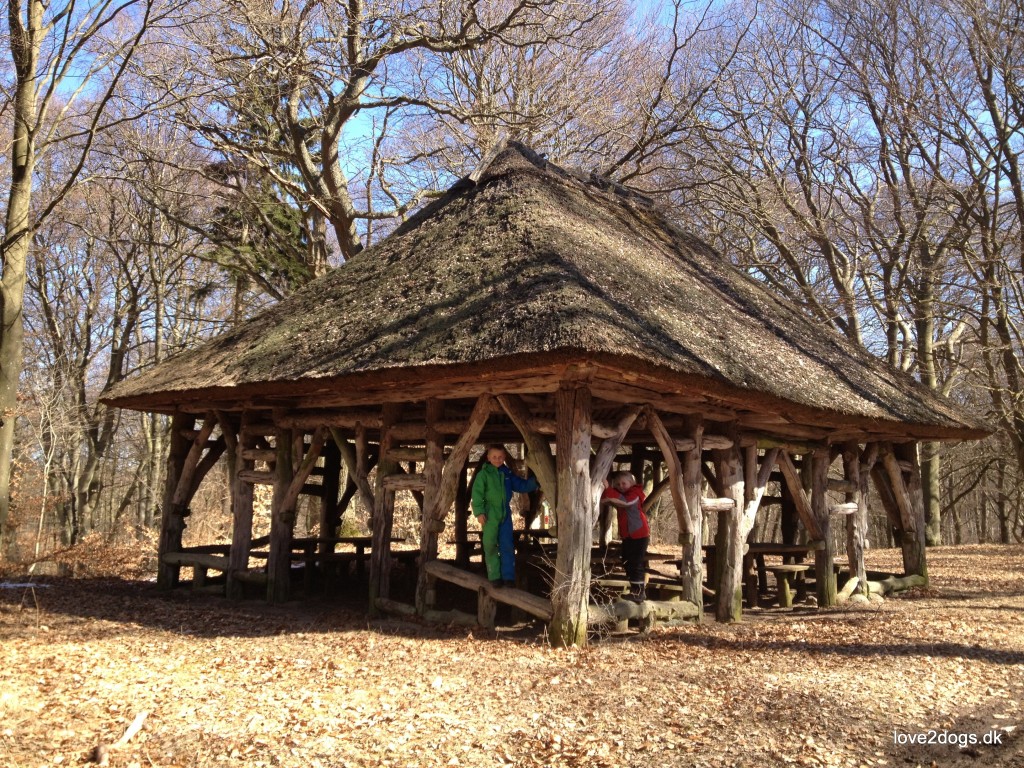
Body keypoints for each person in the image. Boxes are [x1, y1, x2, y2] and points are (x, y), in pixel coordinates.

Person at [471, 444, 539, 587]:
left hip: (505, 514)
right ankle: (494, 576)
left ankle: (508, 577)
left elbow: (520, 485)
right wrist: (479, 512)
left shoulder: (506, 473)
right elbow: (477, 495)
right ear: (488, 457)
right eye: (494, 457)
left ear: (504, 458)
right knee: (490, 544)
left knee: (507, 544)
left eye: (500, 457)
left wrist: (535, 482)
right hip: (490, 513)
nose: (497, 459)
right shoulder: (484, 474)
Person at [601, 470, 650, 602]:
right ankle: (635, 589)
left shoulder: (634, 494)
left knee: (635, 562)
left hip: (639, 534)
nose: (621, 486)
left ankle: (639, 592)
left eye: (624, 483)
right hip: (629, 536)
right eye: (618, 484)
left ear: (632, 483)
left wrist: (608, 488)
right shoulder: (623, 495)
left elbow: (625, 502)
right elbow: (609, 500)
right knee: (627, 561)